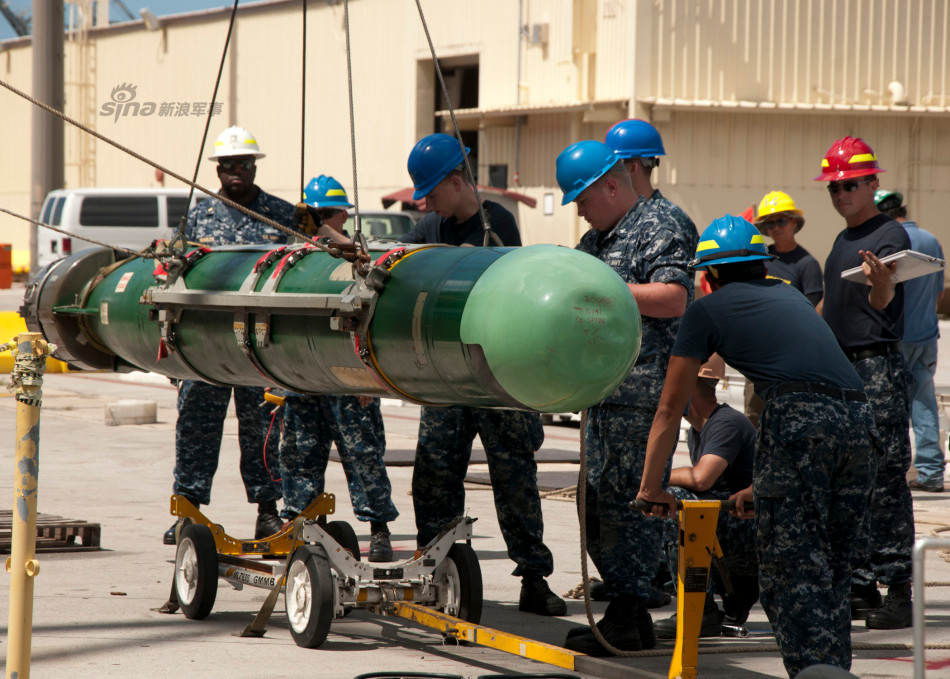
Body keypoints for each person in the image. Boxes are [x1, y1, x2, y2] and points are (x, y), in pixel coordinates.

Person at [637, 215, 877, 678]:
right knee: (831, 570)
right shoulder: (788, 293)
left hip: (798, 420)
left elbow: (670, 411)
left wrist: (651, 488)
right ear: (761, 264)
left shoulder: (705, 310)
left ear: (708, 276)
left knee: (792, 576)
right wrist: (762, 487)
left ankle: (814, 673)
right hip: (858, 421)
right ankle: (833, 673)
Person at [400, 133, 566, 616]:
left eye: (432, 190)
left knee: (514, 474)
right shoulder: (430, 224)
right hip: (446, 375)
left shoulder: (499, 224)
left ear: (458, 180)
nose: (427, 202)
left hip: (494, 376)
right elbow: (397, 263)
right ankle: (436, 569)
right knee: (433, 474)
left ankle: (533, 578)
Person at [556, 136, 697, 656]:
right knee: (597, 507)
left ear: (610, 186)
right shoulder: (597, 240)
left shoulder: (657, 227)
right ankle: (624, 608)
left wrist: (603, 290)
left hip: (642, 395)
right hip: (602, 391)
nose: (581, 213)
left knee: (631, 505)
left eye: (583, 201)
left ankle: (629, 610)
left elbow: (676, 297)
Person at [164, 126, 296, 544]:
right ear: (218, 171)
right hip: (204, 345)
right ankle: (187, 510)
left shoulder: (280, 214)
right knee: (196, 428)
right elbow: (172, 274)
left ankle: (267, 511)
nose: (236, 171)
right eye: (228, 166)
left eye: (243, 164)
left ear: (254, 167)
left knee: (263, 432)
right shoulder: (198, 216)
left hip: (260, 346)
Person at [817, 136, 915, 629]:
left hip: (876, 366)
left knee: (885, 481)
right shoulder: (840, 242)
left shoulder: (889, 236)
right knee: (849, 478)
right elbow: (830, 308)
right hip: (841, 369)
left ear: (873, 184)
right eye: (834, 188)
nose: (840, 196)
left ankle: (898, 587)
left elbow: (883, 302)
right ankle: (860, 585)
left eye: (850, 186)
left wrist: (881, 282)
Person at [277, 175, 399, 562]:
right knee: (299, 455)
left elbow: (374, 310)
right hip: (304, 377)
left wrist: (373, 379)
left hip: (348, 377)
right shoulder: (293, 255)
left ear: (343, 214)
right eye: (314, 216)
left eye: (327, 215)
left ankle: (378, 529)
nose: (319, 223)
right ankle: (298, 523)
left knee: (363, 456)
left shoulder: (360, 252)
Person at [652, 354, 758, 640]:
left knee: (673, 500)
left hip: (743, 531)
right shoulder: (698, 430)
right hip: (726, 526)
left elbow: (701, 478)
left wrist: (653, 478)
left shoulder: (726, 423)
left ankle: (702, 609)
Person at [875, 189, 946, 493]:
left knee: (891, 407)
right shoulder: (930, 239)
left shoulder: (890, 241)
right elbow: (940, 292)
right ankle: (930, 473)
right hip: (927, 337)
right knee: (925, 403)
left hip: (898, 338)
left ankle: (892, 471)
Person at [743, 190, 825, 426]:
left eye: (781, 221)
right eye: (769, 224)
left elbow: (810, 313)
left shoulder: (807, 264)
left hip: (790, 356)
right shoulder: (762, 258)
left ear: (794, 222)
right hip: (758, 353)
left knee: (787, 418)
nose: (775, 228)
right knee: (753, 417)